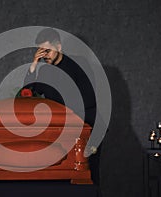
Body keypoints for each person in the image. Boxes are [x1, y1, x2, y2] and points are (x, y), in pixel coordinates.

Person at [23, 28, 100, 185]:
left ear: (58, 47)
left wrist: (64, 118)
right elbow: (27, 94)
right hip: (63, 130)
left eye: (47, 51)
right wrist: (33, 65)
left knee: (87, 177)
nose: (44, 56)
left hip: (88, 126)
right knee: (64, 178)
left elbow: (89, 98)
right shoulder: (45, 71)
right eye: (41, 52)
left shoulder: (79, 64)